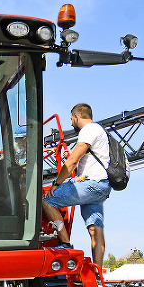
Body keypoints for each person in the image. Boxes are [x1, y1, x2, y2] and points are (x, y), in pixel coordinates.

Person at [40, 103, 112, 268]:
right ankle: (98, 271)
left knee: (47, 200)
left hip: (91, 184)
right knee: (95, 229)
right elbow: (83, 159)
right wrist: (72, 155)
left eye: (71, 119)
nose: (71, 123)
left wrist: (56, 184)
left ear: (76, 116)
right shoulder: (100, 131)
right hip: (102, 186)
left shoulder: (88, 130)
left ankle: (64, 243)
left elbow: (71, 163)